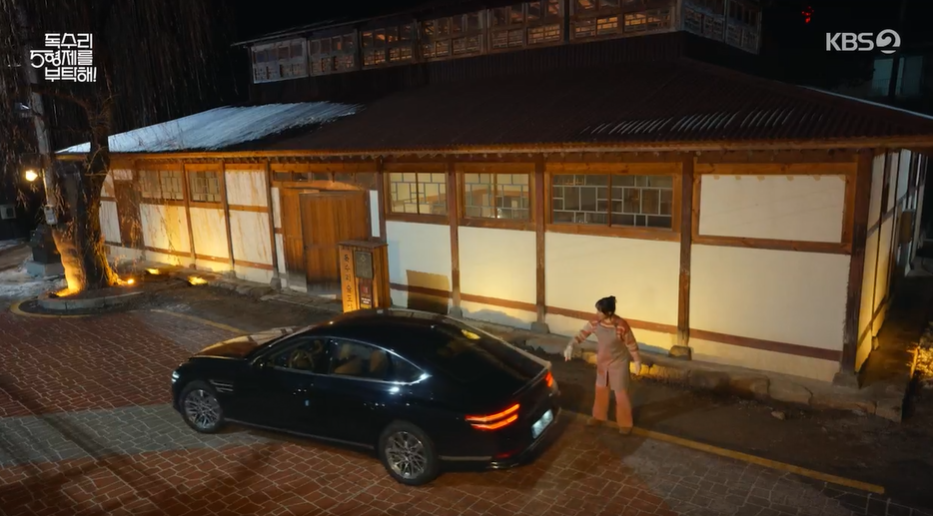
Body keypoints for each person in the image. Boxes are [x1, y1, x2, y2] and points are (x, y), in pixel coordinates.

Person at [563, 296, 642, 435]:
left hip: (619, 363)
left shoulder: (621, 325)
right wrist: (570, 345)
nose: (597, 313)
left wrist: (637, 360)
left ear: (609, 312)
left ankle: (625, 423)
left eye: (600, 311)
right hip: (602, 362)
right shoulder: (595, 321)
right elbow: (582, 334)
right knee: (600, 390)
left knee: (621, 394)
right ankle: (598, 416)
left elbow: (631, 343)